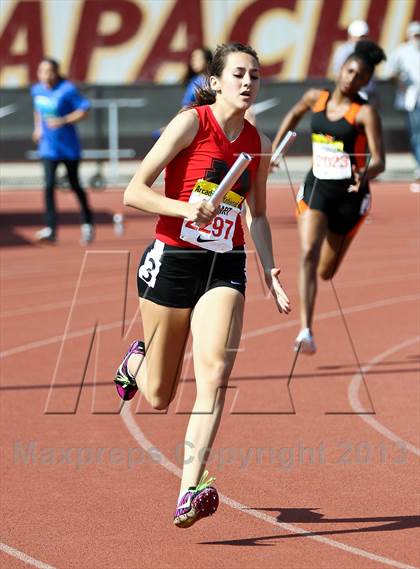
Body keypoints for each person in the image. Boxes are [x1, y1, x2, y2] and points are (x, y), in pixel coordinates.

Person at [114, 43, 291, 528]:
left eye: (255, 75)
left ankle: (189, 489)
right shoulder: (191, 123)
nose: (247, 83)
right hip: (173, 259)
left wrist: (271, 267)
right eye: (238, 74)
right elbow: (134, 191)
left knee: (214, 374)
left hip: (224, 263)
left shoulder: (255, 141)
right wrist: (185, 208)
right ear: (216, 81)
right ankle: (139, 358)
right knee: (158, 396)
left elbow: (256, 212)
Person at [272, 40, 385, 354]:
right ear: (340, 69)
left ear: (366, 82)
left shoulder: (364, 113)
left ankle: (310, 314)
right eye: (350, 71)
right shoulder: (315, 98)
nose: (352, 79)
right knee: (307, 252)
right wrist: (277, 150)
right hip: (317, 186)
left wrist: (367, 172)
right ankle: (305, 331)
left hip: (350, 196)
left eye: (361, 77)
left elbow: (380, 159)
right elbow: (293, 116)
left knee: (325, 270)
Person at [31, 58, 94, 244]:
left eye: (50, 71)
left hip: (68, 147)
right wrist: (38, 128)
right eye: (42, 71)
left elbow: (84, 110)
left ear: (57, 72)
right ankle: (51, 229)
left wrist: (63, 121)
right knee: (49, 185)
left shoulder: (67, 89)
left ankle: (87, 223)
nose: (46, 75)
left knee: (74, 184)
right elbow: (38, 110)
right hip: (48, 147)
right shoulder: (37, 89)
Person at [385, 21, 420, 185]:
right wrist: (402, 85)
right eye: (415, 35)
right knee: (416, 134)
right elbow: (391, 72)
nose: (417, 39)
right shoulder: (402, 52)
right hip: (412, 99)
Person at [331, 20, 378, 105]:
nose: (361, 39)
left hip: (366, 95)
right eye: (359, 37)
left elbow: (371, 78)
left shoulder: (369, 52)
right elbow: (337, 73)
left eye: (363, 37)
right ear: (351, 36)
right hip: (350, 95)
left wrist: (374, 95)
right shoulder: (343, 51)